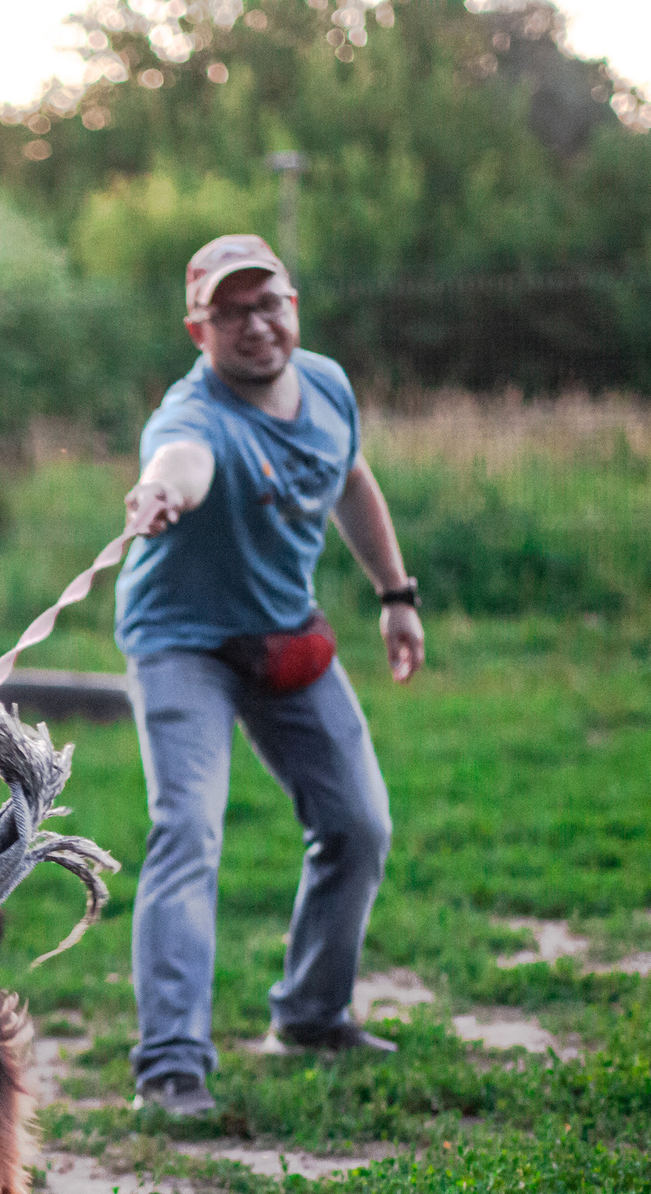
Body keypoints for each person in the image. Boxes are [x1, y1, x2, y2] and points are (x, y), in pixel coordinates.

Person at [115, 234, 424, 1119]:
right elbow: (182, 460)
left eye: (267, 304)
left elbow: (350, 479)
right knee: (188, 829)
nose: (254, 325)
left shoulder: (326, 385)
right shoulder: (191, 415)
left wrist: (396, 593)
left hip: (285, 636)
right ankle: (170, 1065)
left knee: (359, 823)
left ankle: (313, 1014)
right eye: (230, 312)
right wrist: (162, 490)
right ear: (198, 331)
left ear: (293, 305)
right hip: (182, 644)